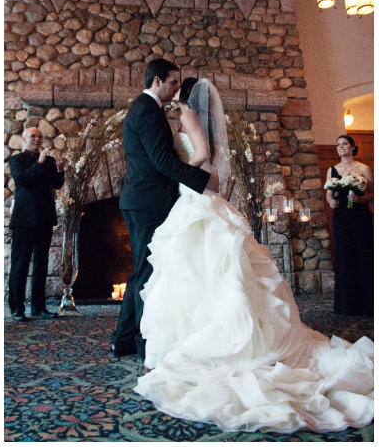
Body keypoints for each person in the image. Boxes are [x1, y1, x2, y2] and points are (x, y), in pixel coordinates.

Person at [135, 78, 375, 433]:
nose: (171, 95)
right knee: (208, 272)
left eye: (175, 89)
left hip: (193, 197)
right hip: (200, 197)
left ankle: (201, 344)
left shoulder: (187, 116)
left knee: (200, 271)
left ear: (183, 96)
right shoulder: (198, 117)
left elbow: (201, 155)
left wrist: (176, 167)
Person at [111, 60, 214, 360]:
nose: (176, 88)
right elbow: (162, 163)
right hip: (147, 201)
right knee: (147, 271)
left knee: (143, 269)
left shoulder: (145, 108)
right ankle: (143, 343)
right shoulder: (147, 110)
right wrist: (206, 180)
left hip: (143, 199)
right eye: (173, 82)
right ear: (157, 81)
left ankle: (124, 339)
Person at [7, 127, 64, 321]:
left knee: (42, 265)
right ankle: (16, 308)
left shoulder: (49, 161)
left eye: (40, 136)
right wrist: (39, 164)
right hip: (24, 220)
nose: (37, 139)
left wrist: (61, 169)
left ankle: (39, 307)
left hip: (44, 218)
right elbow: (23, 181)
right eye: (33, 136)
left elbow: (56, 184)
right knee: (20, 264)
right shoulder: (17, 160)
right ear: (24, 139)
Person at [327, 134, 374, 316]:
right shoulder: (332, 170)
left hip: (360, 216)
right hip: (341, 217)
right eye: (338, 144)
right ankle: (345, 304)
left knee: (363, 254)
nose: (340, 146)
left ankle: (368, 304)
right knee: (344, 255)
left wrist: (360, 199)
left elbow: (374, 194)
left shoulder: (363, 168)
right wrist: (331, 201)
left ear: (352, 148)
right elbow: (329, 193)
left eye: (344, 143)